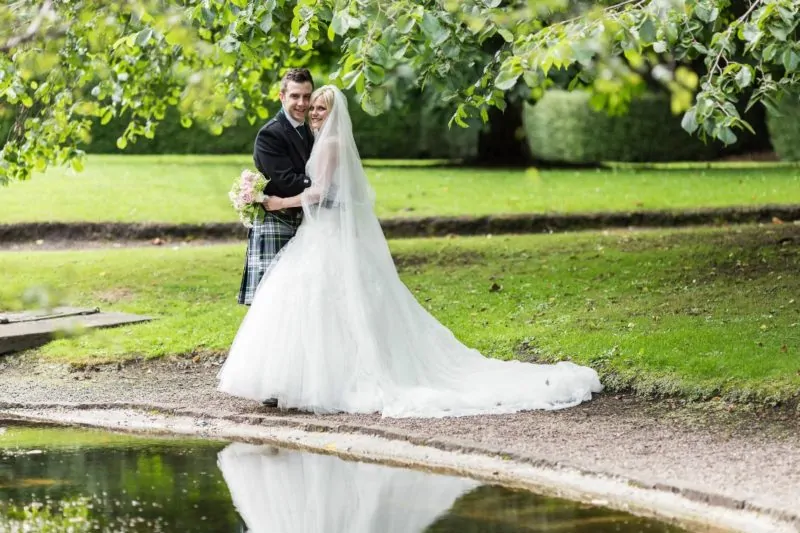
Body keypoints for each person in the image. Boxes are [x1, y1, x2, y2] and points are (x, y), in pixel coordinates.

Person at [217, 85, 602, 418]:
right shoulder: (317, 140)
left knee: (331, 301)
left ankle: (334, 380)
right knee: (309, 303)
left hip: (327, 233)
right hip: (318, 233)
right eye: (311, 105)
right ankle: (299, 380)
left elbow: (320, 193)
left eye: (320, 107)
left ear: (333, 113)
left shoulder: (331, 143)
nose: (313, 112)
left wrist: (273, 203)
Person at [237, 68, 315, 307]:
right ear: (282, 97)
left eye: (306, 96)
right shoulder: (270, 134)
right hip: (277, 221)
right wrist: (323, 182)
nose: (302, 103)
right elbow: (286, 182)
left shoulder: (310, 130)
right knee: (271, 302)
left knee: (298, 300)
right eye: (295, 96)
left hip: (302, 221)